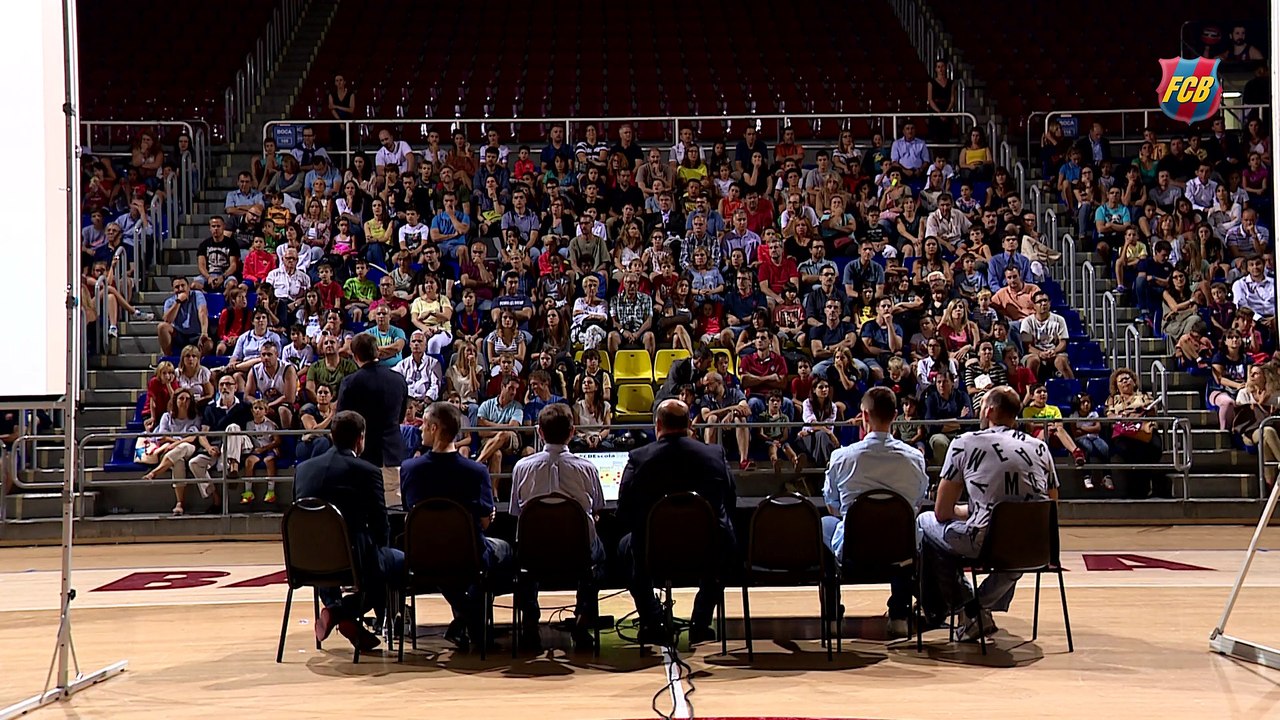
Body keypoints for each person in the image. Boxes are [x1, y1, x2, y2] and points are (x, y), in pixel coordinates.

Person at [917, 386, 1060, 641]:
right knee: (1014, 549)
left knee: (925, 522)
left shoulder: (964, 443)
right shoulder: (1040, 447)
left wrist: (963, 514)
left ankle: (963, 607)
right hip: (1035, 545)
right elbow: (1050, 506)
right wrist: (971, 512)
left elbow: (941, 512)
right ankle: (978, 608)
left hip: (985, 542)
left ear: (989, 410)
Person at [616, 399, 737, 645]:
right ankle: (701, 622)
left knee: (625, 547)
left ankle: (652, 620)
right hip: (707, 550)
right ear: (690, 424)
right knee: (725, 540)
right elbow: (731, 500)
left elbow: (624, 510)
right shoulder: (714, 454)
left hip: (654, 552)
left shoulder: (639, 458)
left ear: (657, 425)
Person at [400, 401, 511, 650]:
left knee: (446, 565)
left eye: (424, 425)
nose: (420, 430)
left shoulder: (410, 469)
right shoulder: (475, 471)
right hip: (468, 555)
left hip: (424, 555)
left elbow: (412, 512)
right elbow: (484, 521)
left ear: (436, 428)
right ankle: (474, 623)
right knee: (504, 552)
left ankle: (465, 620)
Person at [822, 387, 928, 637]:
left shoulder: (842, 457)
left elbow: (832, 506)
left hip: (853, 551)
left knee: (824, 524)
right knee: (908, 529)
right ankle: (900, 614)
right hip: (900, 550)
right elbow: (918, 503)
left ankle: (832, 615)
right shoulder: (915, 458)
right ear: (894, 415)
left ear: (864, 416)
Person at [295, 410, 402, 654]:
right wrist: (379, 553)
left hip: (307, 561)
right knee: (396, 564)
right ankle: (343, 613)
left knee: (331, 552)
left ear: (331, 436)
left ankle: (334, 607)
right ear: (360, 439)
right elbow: (380, 524)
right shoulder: (367, 471)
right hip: (353, 560)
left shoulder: (303, 470)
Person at [509, 403, 607, 651]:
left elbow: (517, 512)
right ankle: (583, 621)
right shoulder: (587, 468)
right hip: (578, 553)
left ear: (539, 432)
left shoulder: (522, 468)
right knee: (601, 556)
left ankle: (530, 621)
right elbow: (598, 508)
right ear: (573, 432)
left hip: (534, 555)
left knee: (523, 554)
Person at [337, 333, 408, 506]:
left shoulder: (351, 382)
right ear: (377, 352)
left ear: (355, 356)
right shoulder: (398, 380)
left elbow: (342, 422)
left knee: (363, 512)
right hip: (393, 454)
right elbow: (400, 417)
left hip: (363, 456)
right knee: (394, 512)